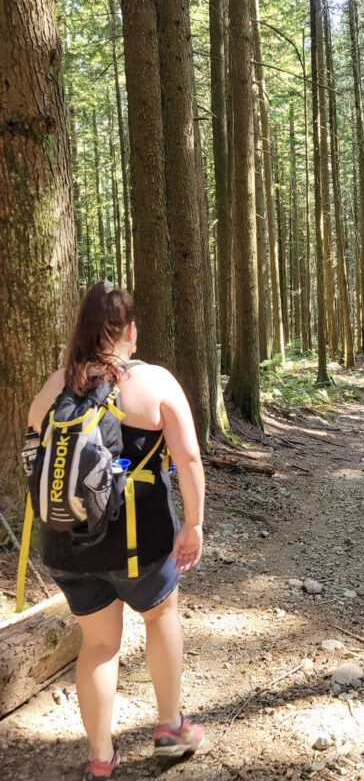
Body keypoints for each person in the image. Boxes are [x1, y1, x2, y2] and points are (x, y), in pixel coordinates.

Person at [27, 282, 205, 781]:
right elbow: (189, 459)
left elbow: (36, 454)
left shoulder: (51, 389)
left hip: (68, 544)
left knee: (99, 645)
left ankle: (101, 759)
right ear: (130, 331)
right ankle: (170, 729)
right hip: (140, 544)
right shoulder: (155, 383)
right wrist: (193, 523)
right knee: (160, 614)